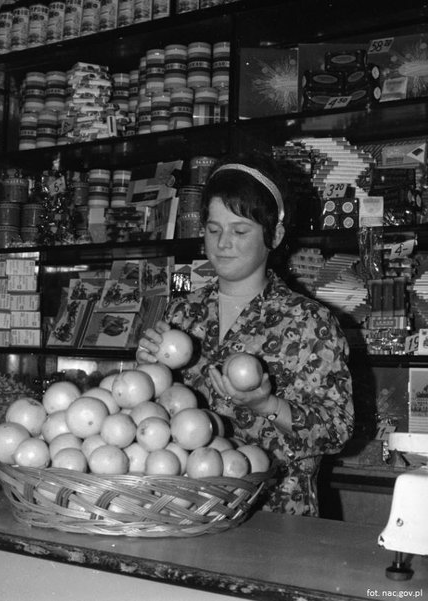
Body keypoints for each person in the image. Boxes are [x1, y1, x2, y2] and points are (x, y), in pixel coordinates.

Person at [136, 154, 354, 516]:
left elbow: (338, 429)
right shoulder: (182, 313)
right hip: (185, 511)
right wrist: (145, 371)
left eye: (239, 231)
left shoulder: (308, 321)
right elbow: (153, 420)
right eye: (213, 229)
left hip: (276, 517)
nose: (223, 243)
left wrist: (267, 407)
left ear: (275, 236)